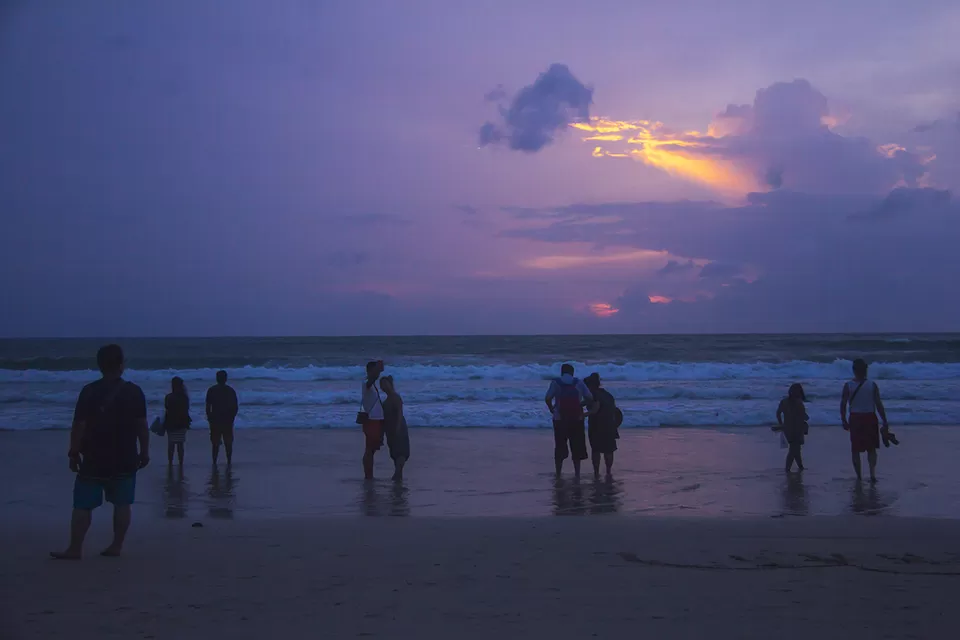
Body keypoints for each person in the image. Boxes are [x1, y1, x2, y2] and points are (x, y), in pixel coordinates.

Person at [51, 344, 149, 560]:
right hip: (125, 456)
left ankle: (75, 548)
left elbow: (79, 426)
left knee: (83, 505)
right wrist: (144, 452)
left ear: (99, 365)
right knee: (122, 504)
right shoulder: (134, 392)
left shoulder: (89, 391)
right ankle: (116, 546)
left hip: (94, 457)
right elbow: (142, 426)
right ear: (121, 365)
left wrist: (74, 452)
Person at [841, 358, 890, 483]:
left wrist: (843, 419)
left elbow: (843, 404)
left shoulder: (848, 385)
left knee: (855, 449)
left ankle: (859, 476)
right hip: (870, 417)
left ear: (854, 370)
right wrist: (884, 420)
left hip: (855, 418)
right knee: (871, 449)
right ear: (866, 370)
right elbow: (878, 404)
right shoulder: (872, 385)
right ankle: (872, 474)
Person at [545, 363, 593, 478]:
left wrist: (552, 408)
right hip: (577, 419)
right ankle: (577, 473)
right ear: (572, 372)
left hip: (560, 419)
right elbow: (590, 398)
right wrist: (580, 405)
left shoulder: (556, 382)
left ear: (562, 372)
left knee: (560, 446)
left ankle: (558, 472)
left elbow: (547, 398)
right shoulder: (578, 382)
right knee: (576, 446)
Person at [584, 373, 619, 478]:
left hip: (597, 426)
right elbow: (615, 410)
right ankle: (608, 471)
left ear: (589, 386)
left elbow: (595, 409)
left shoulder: (593, 394)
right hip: (610, 425)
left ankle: (596, 473)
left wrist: (582, 415)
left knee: (596, 450)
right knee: (609, 450)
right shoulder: (608, 395)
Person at [380, 375, 410, 482]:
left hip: (399, 427)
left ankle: (397, 473)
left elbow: (399, 413)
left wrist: (398, 427)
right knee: (394, 453)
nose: (383, 386)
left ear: (390, 384)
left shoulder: (395, 397)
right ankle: (398, 475)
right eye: (381, 384)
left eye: (385, 383)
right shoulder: (385, 402)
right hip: (390, 430)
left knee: (401, 452)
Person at [206, 370, 239, 466]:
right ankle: (229, 461)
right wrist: (232, 417)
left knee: (215, 444)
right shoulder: (230, 390)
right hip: (227, 420)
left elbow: (208, 407)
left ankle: (214, 462)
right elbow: (235, 407)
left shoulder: (212, 390)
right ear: (226, 379)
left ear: (217, 378)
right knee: (228, 443)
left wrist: (210, 419)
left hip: (215, 420)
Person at [774, 383, 808, 472]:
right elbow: (802, 416)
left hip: (787, 429)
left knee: (795, 449)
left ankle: (800, 467)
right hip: (797, 429)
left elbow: (778, 413)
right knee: (794, 450)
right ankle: (787, 469)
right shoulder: (799, 402)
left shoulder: (784, 401)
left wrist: (781, 424)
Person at [360, 360, 385, 479]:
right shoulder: (367, 383)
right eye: (375, 370)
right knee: (369, 449)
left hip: (376, 419)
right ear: (370, 371)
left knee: (372, 449)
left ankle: (369, 474)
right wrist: (378, 369)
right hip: (371, 420)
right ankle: (368, 475)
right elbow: (372, 379)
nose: (378, 373)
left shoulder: (372, 385)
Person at [164, 377, 191, 466]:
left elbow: (167, 408)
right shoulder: (184, 397)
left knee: (171, 444)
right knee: (180, 444)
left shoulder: (169, 397)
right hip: (182, 423)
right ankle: (181, 463)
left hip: (171, 423)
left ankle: (170, 463)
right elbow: (186, 409)